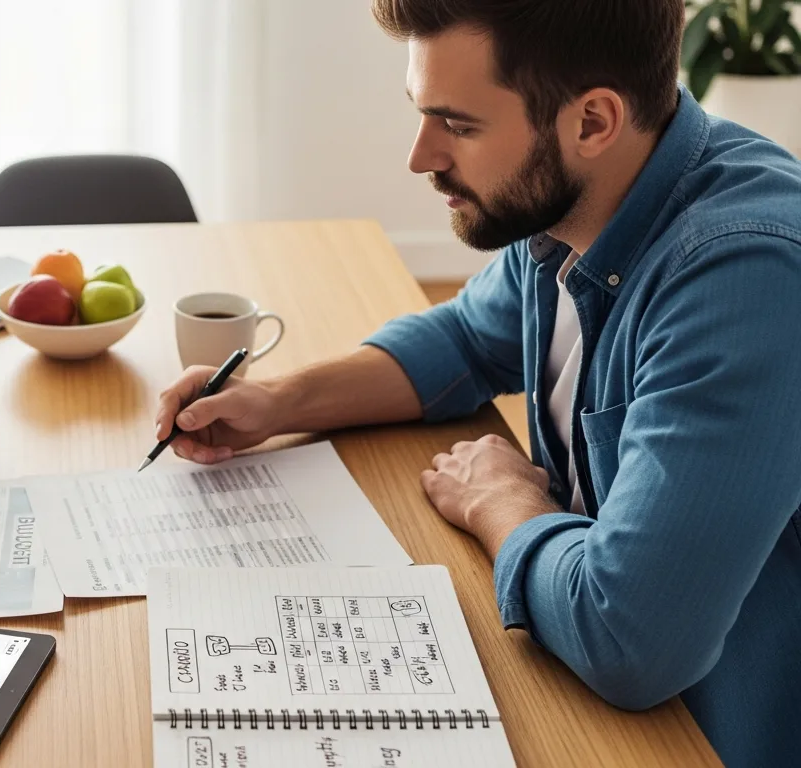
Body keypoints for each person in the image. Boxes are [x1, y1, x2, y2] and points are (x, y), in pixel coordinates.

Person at [156, 1, 801, 765]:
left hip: (704, 734)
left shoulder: (747, 276)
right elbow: (463, 339)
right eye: (421, 115)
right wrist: (276, 402)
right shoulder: (580, 200)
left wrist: (504, 504)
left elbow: (633, 639)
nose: (420, 156)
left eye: (457, 126)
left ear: (593, 121)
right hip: (594, 694)